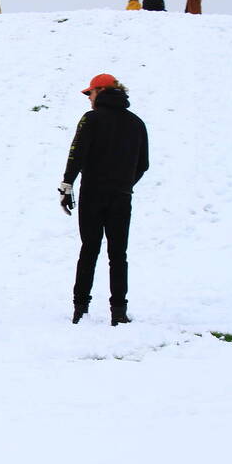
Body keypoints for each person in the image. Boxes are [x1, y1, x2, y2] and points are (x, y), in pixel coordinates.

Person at [59, 74, 148, 326]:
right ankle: (118, 312)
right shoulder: (136, 123)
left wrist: (67, 185)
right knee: (118, 253)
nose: (89, 99)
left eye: (90, 93)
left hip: (92, 194)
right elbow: (144, 164)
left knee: (89, 250)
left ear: (101, 90)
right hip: (122, 196)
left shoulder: (91, 119)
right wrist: (124, 184)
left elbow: (76, 154)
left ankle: (80, 309)